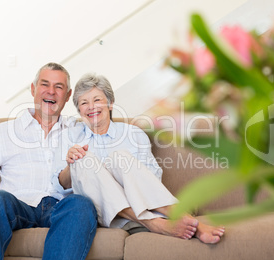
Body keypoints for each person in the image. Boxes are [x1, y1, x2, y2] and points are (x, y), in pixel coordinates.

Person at [54, 73, 225, 243]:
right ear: (79, 110)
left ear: (110, 103)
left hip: (145, 206)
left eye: (97, 100)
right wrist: (72, 164)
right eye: (84, 103)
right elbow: (61, 187)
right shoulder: (70, 136)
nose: (91, 107)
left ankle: (181, 218)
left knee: (119, 157)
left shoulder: (132, 133)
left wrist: (113, 182)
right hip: (107, 214)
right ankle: (156, 224)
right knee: (83, 160)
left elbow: (151, 179)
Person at [0, 63, 98, 260]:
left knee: (82, 204)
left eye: (59, 87)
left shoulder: (80, 131)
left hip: (60, 207)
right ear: (33, 89)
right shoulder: (5, 131)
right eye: (45, 84)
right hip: (17, 205)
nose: (51, 91)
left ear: (68, 96)